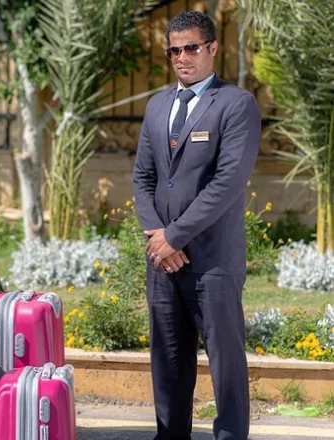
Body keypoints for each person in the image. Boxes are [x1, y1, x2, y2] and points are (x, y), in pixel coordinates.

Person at [132, 10, 261, 440]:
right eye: (174, 51)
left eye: (191, 48)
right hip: (163, 262)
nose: (182, 57)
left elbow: (227, 183)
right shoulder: (157, 106)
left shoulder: (235, 104)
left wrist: (174, 236)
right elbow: (144, 178)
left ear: (212, 48)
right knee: (168, 359)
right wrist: (157, 238)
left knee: (226, 363)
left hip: (213, 262)